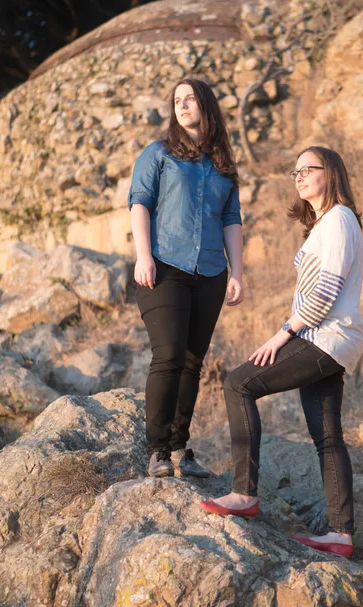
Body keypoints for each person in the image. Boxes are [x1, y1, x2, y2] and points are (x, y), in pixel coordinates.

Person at [199, 146, 363, 558]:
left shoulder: (340, 219)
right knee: (327, 437)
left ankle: (242, 493)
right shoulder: (325, 225)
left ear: (330, 173)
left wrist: (283, 334)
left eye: (308, 169)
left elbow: (326, 292)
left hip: (324, 336)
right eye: (295, 172)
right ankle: (341, 534)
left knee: (239, 384)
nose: (299, 176)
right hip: (328, 338)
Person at [128, 78, 244, 479]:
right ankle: (157, 449)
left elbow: (231, 220)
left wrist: (238, 273)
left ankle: (180, 448)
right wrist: (143, 256)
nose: (181, 105)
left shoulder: (223, 164)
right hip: (164, 267)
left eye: (189, 98)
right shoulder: (158, 154)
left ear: (206, 106)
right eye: (176, 100)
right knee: (169, 355)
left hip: (211, 271)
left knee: (193, 364)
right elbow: (139, 204)